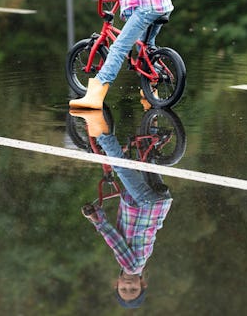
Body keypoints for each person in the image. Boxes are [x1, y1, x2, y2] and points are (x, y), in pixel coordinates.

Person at [72, 108, 172, 309]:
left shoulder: (143, 261)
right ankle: (100, 129)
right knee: (119, 166)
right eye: (133, 289)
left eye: (123, 289)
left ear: (116, 284)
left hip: (159, 205)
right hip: (145, 204)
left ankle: (152, 115)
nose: (128, 285)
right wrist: (97, 219)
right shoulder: (131, 266)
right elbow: (114, 240)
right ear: (142, 284)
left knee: (146, 159)